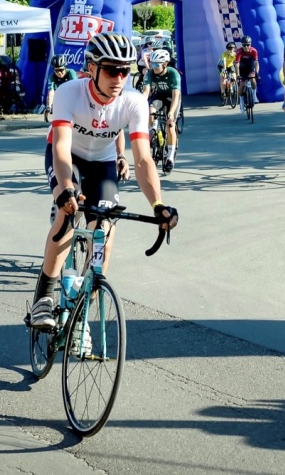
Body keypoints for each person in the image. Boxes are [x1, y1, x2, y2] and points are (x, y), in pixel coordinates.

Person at [28, 32, 178, 330]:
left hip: (102, 163)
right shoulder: (71, 92)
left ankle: (83, 314)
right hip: (67, 155)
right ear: (93, 68)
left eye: (126, 70)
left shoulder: (134, 102)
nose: (119, 77)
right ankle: (43, 299)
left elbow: (144, 159)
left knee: (105, 231)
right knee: (67, 214)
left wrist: (158, 204)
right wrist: (65, 189)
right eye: (111, 69)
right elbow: (59, 147)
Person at [142, 48, 182, 173]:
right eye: (152, 63)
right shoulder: (150, 74)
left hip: (172, 98)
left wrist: (171, 112)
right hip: (159, 96)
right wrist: (140, 104)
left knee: (170, 126)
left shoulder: (173, 73)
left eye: (156, 64)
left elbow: (176, 96)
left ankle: (170, 157)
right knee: (150, 110)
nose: (153, 67)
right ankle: (153, 130)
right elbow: (146, 92)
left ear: (165, 64)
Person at [235, 36, 259, 112]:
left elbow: (256, 63)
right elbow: (237, 64)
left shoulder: (254, 51)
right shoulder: (239, 52)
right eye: (244, 45)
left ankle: (254, 96)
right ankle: (241, 102)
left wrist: (257, 73)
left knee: (253, 80)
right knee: (242, 85)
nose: (246, 47)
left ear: (250, 44)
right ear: (242, 45)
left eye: (248, 45)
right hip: (242, 69)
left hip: (250, 67)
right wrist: (238, 74)